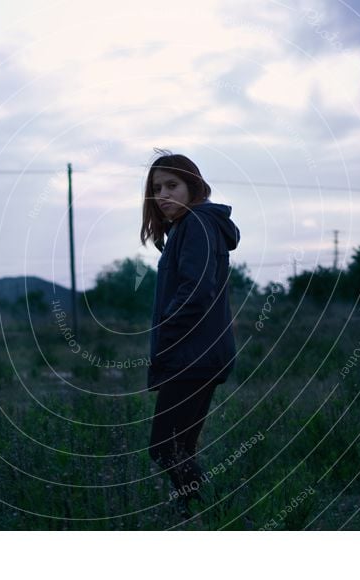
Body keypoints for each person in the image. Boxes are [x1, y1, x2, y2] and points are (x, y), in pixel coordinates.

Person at [139, 150, 240, 518]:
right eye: (156, 188)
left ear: (192, 186)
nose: (163, 194)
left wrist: (167, 330)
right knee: (181, 446)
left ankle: (210, 510)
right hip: (198, 353)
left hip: (192, 356)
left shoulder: (196, 223)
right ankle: (194, 516)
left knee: (164, 447)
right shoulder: (190, 226)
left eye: (172, 185)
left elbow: (196, 291)